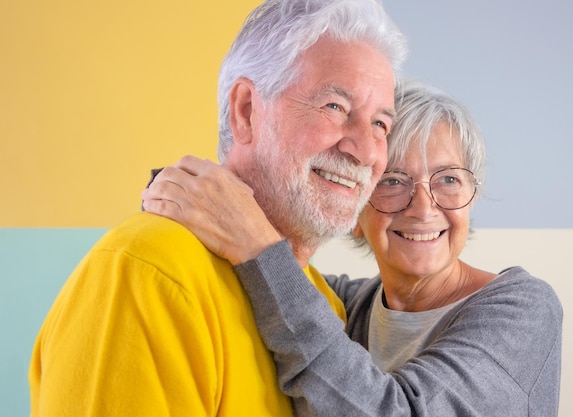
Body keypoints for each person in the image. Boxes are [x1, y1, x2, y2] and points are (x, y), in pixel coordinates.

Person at [28, 1, 407, 415]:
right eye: (334, 107)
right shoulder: (147, 272)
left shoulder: (320, 303)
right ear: (246, 110)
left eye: (380, 125)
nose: (366, 150)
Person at [143, 78, 563, 416]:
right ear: (354, 215)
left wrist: (256, 244)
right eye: (392, 181)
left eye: (449, 179)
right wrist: (190, 196)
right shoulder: (344, 305)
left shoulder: (523, 308)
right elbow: (262, 279)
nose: (423, 207)